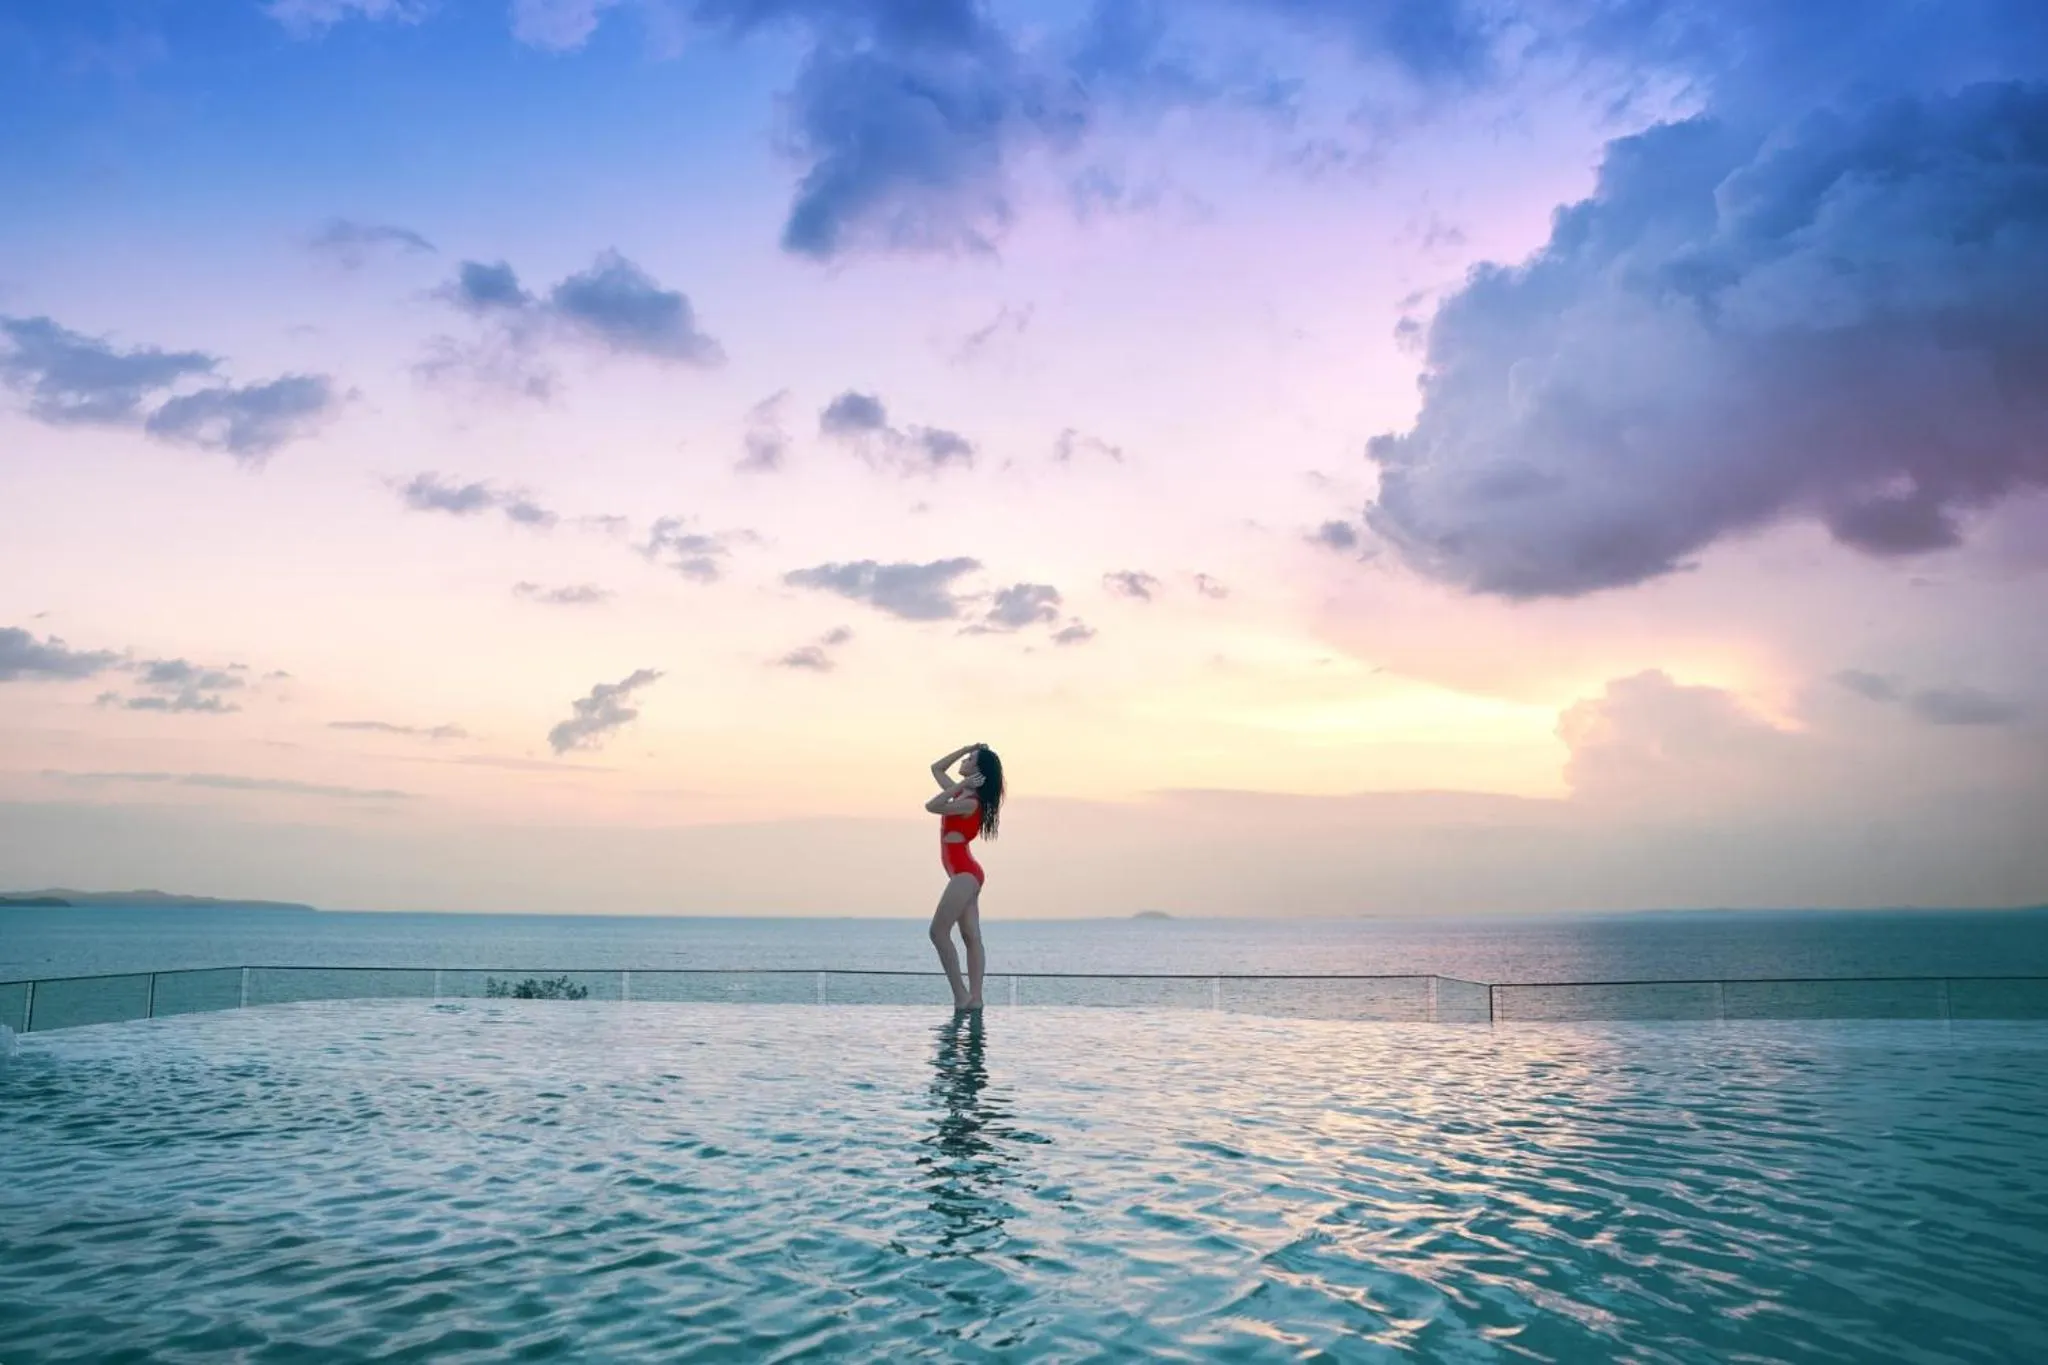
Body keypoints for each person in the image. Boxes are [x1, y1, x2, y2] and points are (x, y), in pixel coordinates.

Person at [925, 742, 1004, 1010]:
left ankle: (962, 996)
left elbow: (932, 806)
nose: (965, 760)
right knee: (970, 936)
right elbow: (936, 768)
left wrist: (961, 785)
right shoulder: (962, 796)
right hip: (965, 873)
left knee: (938, 932)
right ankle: (976, 1000)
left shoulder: (968, 802)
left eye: (970, 758)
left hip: (965, 874)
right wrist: (966, 747)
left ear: (977, 771)